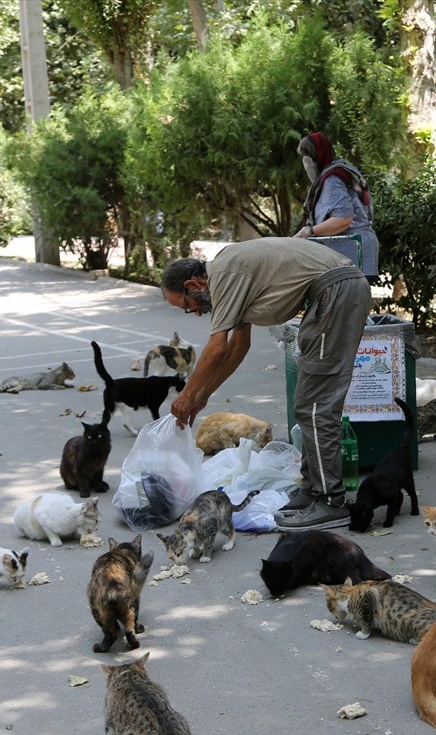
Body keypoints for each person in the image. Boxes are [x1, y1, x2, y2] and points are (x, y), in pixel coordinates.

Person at [160, 238, 372, 531]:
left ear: (193, 285)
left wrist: (185, 395)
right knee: (307, 405)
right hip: (332, 295)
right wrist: (202, 395)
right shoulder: (229, 277)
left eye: (188, 306)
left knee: (315, 407)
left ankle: (331, 503)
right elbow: (238, 347)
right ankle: (313, 490)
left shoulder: (223, 275)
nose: (196, 313)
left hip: (336, 293)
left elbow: (217, 348)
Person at [295, 132, 379, 285]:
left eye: (308, 160)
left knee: (345, 307)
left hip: (352, 254)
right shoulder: (342, 170)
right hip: (359, 252)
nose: (306, 166)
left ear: (316, 157)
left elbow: (344, 219)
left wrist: (309, 232)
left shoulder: (333, 179)